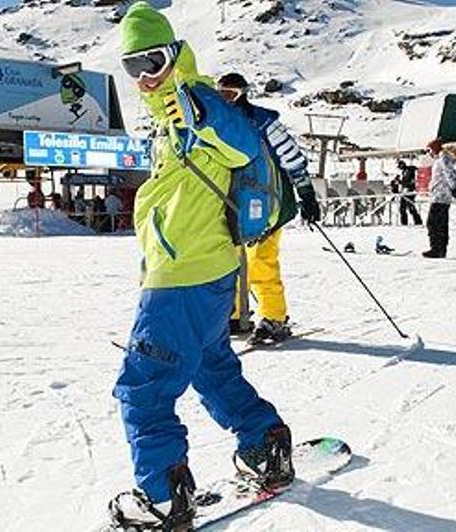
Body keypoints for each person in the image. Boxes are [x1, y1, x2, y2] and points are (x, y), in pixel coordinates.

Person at [108, 4, 292, 529]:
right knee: (211, 366)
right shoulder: (170, 106)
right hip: (207, 270)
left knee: (144, 388)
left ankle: (163, 497)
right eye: (133, 67)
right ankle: (266, 444)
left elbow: (237, 141)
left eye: (154, 61)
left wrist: (199, 114)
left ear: (176, 54)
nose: (145, 77)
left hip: (182, 276)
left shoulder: (195, 100)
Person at [216, 72, 321, 344]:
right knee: (230, 262)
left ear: (244, 93)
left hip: (268, 205)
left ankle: (274, 318)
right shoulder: (218, 123)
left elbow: (293, 159)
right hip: (231, 205)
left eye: (232, 94)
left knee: (261, 262)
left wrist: (306, 194)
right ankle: (237, 314)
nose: (227, 99)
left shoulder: (263, 122)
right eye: (222, 93)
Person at [423, 138, 456, 259]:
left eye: (430, 150)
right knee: (439, 224)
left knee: (433, 223)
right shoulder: (440, 158)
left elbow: (450, 173)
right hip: (438, 194)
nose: (429, 153)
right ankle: (439, 249)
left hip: (441, 196)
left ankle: (436, 249)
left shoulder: (443, 158)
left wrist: (453, 188)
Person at [395, 160, 422, 226]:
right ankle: (404, 222)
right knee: (402, 208)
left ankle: (418, 222)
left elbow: (409, 181)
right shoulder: (404, 172)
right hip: (404, 191)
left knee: (411, 207)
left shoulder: (409, 171)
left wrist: (400, 182)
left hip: (409, 191)